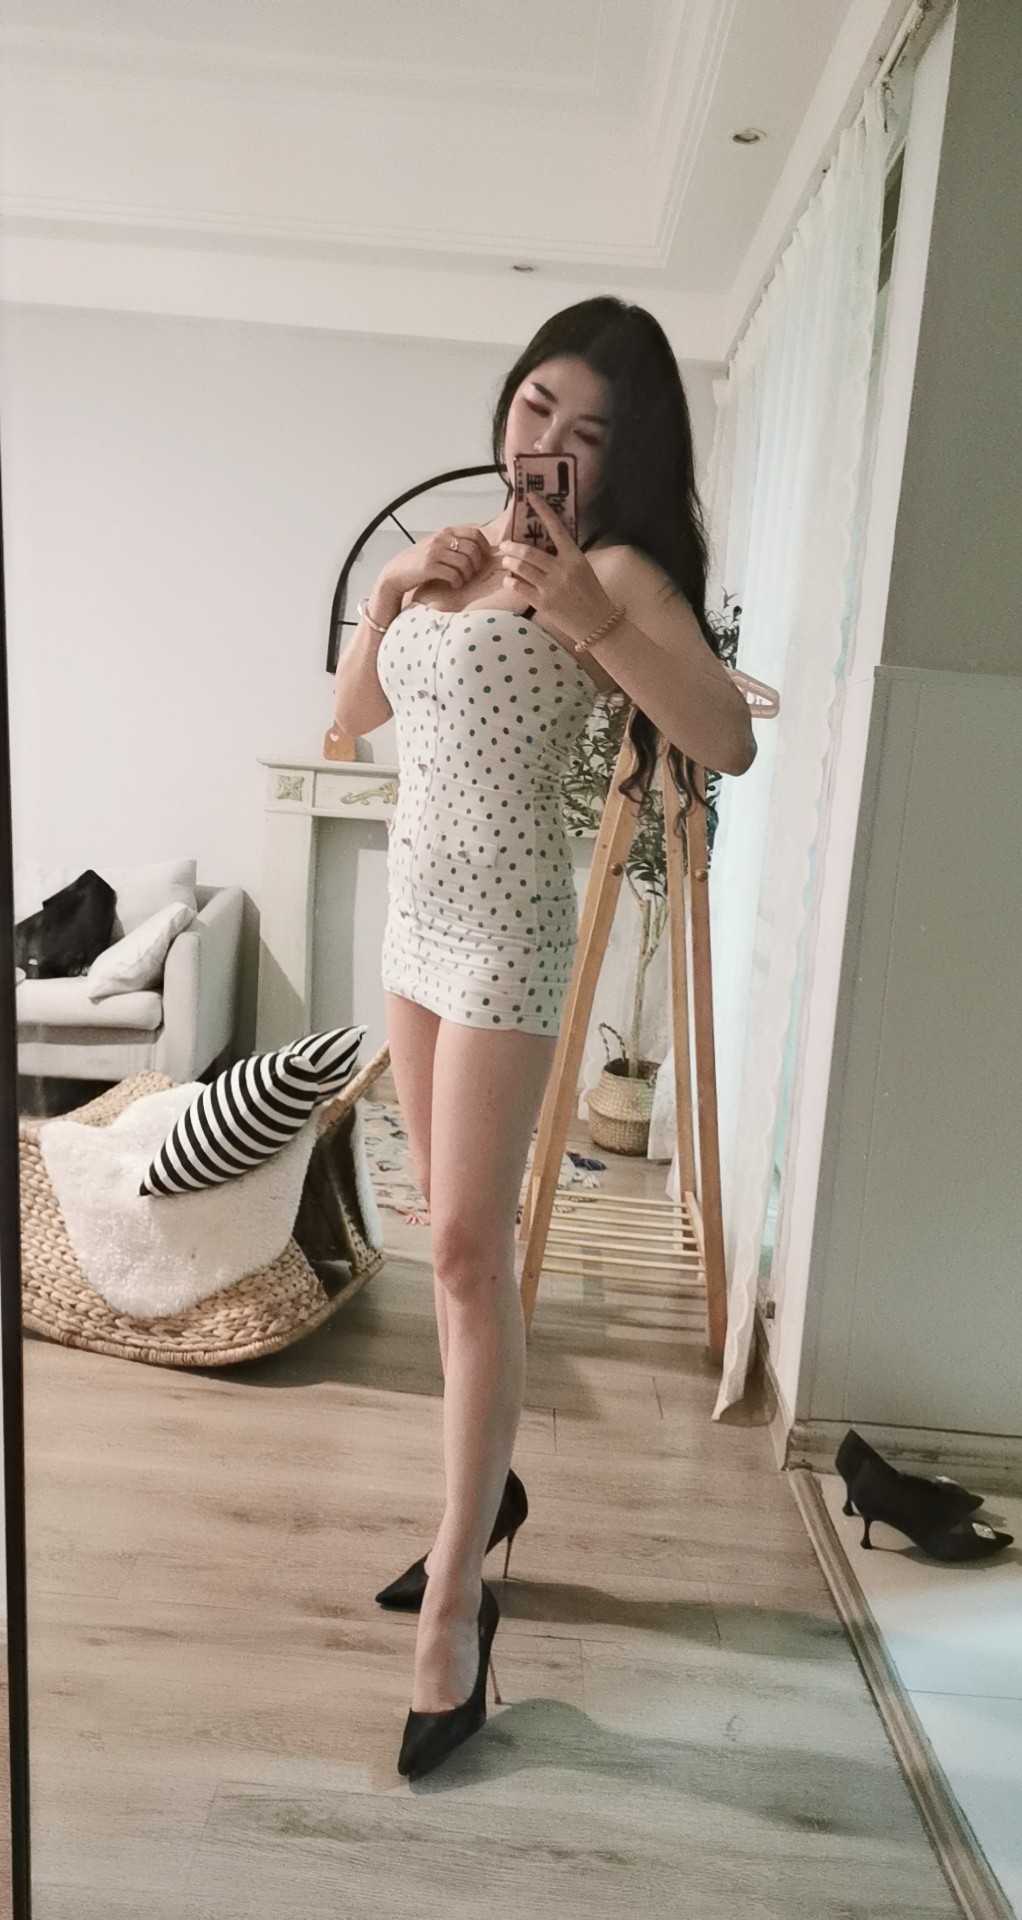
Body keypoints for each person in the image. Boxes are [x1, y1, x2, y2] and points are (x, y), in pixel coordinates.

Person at [331, 296, 757, 1778]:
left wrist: (582, 607)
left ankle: (457, 1601)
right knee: (442, 1251)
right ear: (506, 402)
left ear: (623, 458)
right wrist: (400, 586)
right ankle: (482, 1500)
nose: (546, 446)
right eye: (533, 409)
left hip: (506, 937)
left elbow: (724, 738)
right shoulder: (457, 554)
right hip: (412, 925)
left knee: (466, 1251)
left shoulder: (616, 572)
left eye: (588, 432)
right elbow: (355, 721)